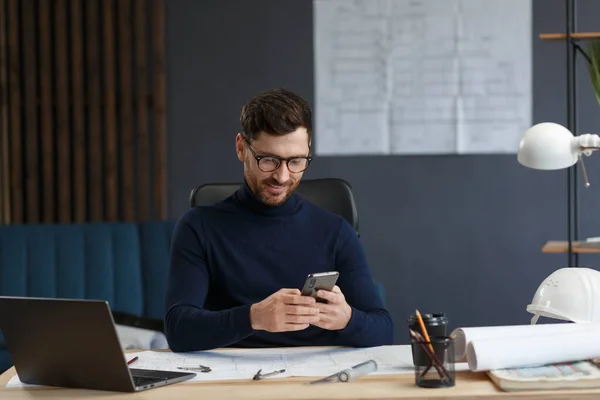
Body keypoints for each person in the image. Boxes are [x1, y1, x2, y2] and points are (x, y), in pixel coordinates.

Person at [164, 88, 393, 352]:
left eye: (296, 161)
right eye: (269, 160)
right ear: (241, 148)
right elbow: (178, 329)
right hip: (234, 376)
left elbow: (383, 329)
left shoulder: (335, 230)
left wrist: (347, 320)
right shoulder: (198, 226)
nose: (282, 177)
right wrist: (254, 318)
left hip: (318, 376)